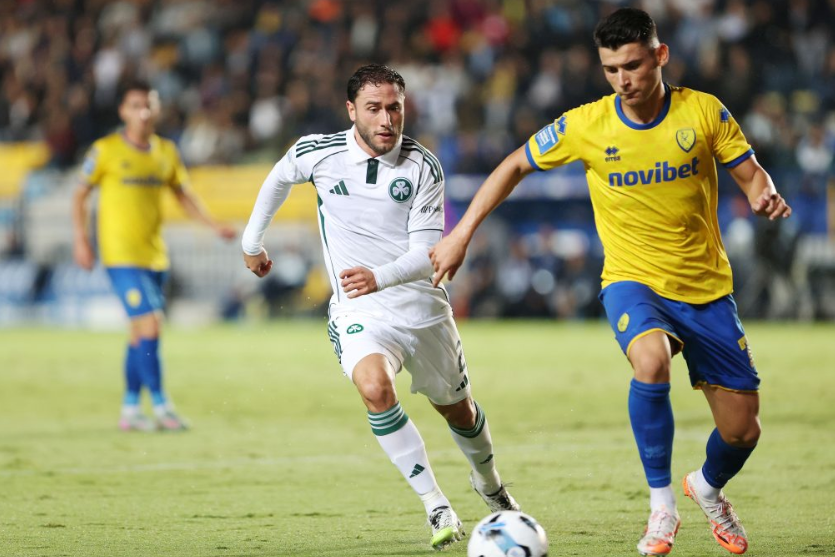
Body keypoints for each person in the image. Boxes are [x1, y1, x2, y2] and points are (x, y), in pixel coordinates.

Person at [430, 8, 791, 557]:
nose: (623, 79)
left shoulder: (703, 111)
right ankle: (662, 507)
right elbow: (514, 165)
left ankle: (706, 487)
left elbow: (750, 173)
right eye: (611, 69)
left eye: (633, 66)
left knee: (743, 431)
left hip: (705, 288)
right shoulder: (586, 124)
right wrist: (461, 234)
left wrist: (762, 193)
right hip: (631, 280)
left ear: (660, 55)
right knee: (650, 361)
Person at [241, 64, 519, 550]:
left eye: (395, 108)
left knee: (458, 410)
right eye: (374, 108)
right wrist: (252, 242)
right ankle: (435, 504)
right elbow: (280, 176)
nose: (387, 119)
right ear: (352, 110)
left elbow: (427, 253)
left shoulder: (423, 167)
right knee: (374, 388)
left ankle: (489, 483)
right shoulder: (319, 153)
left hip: (422, 309)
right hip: (359, 311)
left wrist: (379, 276)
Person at [72, 79, 235, 432]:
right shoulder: (105, 150)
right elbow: (80, 195)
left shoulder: (166, 152)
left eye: (148, 105)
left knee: (138, 334)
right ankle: (162, 407)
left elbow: (183, 194)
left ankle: (130, 409)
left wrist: (213, 225)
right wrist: (81, 240)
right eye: (135, 106)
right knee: (151, 325)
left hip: (154, 256)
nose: (143, 113)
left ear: (157, 109)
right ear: (123, 111)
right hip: (120, 256)